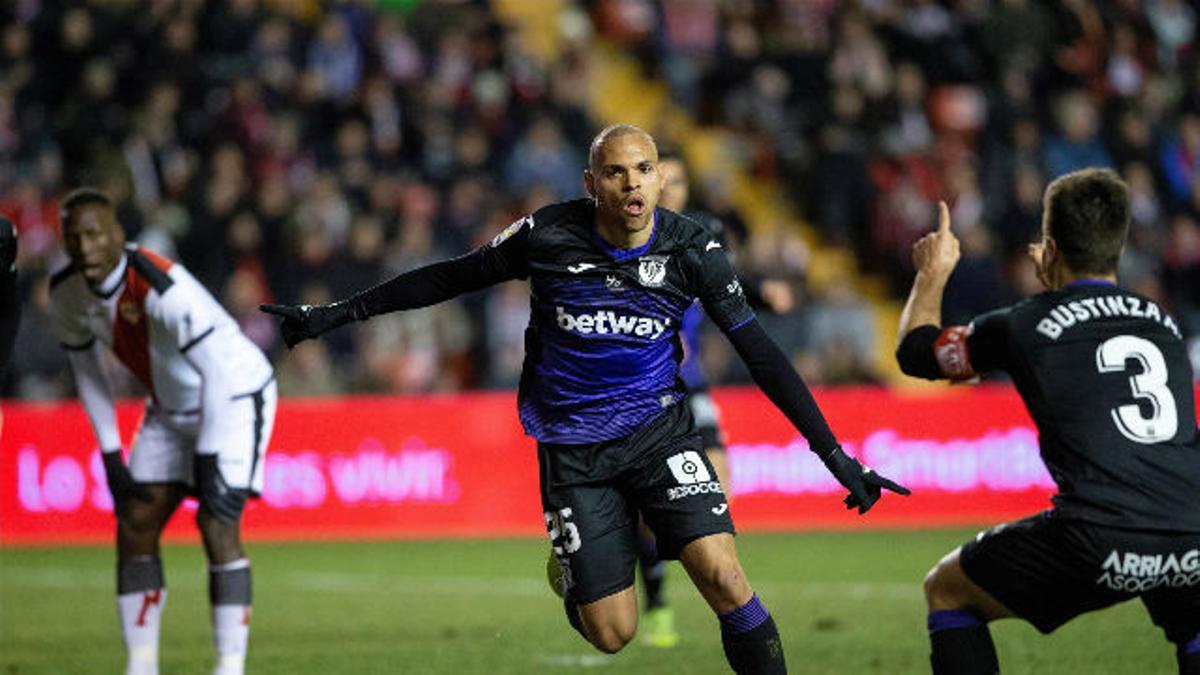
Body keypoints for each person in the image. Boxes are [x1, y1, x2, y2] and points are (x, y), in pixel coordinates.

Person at [263, 124, 907, 674]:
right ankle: (574, 569)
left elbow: (763, 356)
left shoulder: (693, 250)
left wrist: (836, 457)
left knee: (724, 576)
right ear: (591, 182)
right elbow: (449, 278)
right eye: (616, 172)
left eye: (644, 170)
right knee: (611, 633)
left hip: (661, 432)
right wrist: (333, 315)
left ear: (660, 179)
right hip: (574, 448)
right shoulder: (546, 236)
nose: (632, 184)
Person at [895, 168, 1200, 675]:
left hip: (1098, 537)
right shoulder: (1161, 321)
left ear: (1050, 247)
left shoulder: (1024, 322)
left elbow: (917, 354)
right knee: (1191, 621)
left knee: (946, 590)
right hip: (1191, 529)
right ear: (1118, 247)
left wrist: (933, 272)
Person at [50, 188, 276, 675]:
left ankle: (230, 667)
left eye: (94, 234)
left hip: (235, 396)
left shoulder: (159, 285)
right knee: (134, 521)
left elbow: (214, 370)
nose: (84, 246)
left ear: (117, 236)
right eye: (73, 237)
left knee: (216, 522)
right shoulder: (66, 291)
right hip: (169, 408)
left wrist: (210, 457)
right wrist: (110, 456)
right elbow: (87, 372)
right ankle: (142, 664)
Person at [630, 154, 796, 649]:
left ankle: (726, 589)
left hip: (693, 383)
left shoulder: (702, 232)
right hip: (647, 388)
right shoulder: (631, 235)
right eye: (665, 178)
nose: (672, 187)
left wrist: (761, 295)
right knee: (647, 514)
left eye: (680, 179)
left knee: (719, 493)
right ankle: (657, 601)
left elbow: (724, 285)